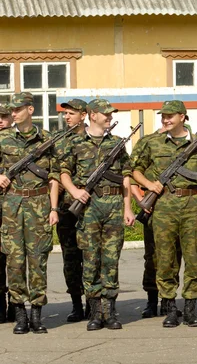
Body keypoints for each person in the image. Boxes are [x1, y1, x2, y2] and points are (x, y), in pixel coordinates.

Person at [133, 100, 197, 327]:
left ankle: (190, 309)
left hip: (191, 204)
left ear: (182, 117)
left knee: (193, 259)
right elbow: (133, 169)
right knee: (165, 259)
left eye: (170, 116)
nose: (166, 120)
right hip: (164, 206)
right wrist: (149, 184)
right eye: (163, 116)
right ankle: (169, 308)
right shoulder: (153, 143)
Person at [60, 99, 136, 331]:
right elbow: (63, 173)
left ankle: (109, 312)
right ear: (93, 115)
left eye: (111, 114)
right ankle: (94, 313)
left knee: (111, 260)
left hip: (113, 206)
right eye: (105, 114)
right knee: (91, 260)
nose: (109, 117)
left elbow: (125, 177)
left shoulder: (116, 144)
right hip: (89, 208)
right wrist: (75, 191)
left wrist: (128, 207)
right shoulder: (75, 143)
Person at [0, 92, 60, 334]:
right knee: (14, 263)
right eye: (11, 110)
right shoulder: (3, 138)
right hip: (11, 206)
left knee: (38, 261)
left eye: (17, 109)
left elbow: (55, 176)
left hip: (39, 205)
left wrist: (54, 208)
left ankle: (37, 314)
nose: (13, 113)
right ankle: (20, 315)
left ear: (30, 110)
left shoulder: (47, 139)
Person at [130, 123, 183, 319]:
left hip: (174, 207)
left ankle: (169, 301)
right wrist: (141, 201)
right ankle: (152, 301)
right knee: (152, 256)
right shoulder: (147, 142)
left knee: (174, 255)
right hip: (152, 207)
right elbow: (132, 173)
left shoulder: (185, 143)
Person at [55, 99, 88, 322]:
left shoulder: (95, 139)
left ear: (84, 115)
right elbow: (52, 174)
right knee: (71, 257)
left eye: (72, 113)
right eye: (65, 113)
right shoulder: (57, 140)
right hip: (66, 208)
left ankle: (96, 303)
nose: (67, 117)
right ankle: (77, 304)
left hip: (91, 207)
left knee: (94, 256)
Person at [0, 104, 13, 323]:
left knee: (16, 259)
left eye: (3, 117)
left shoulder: (19, 143)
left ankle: (17, 305)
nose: (0, 121)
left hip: (16, 208)